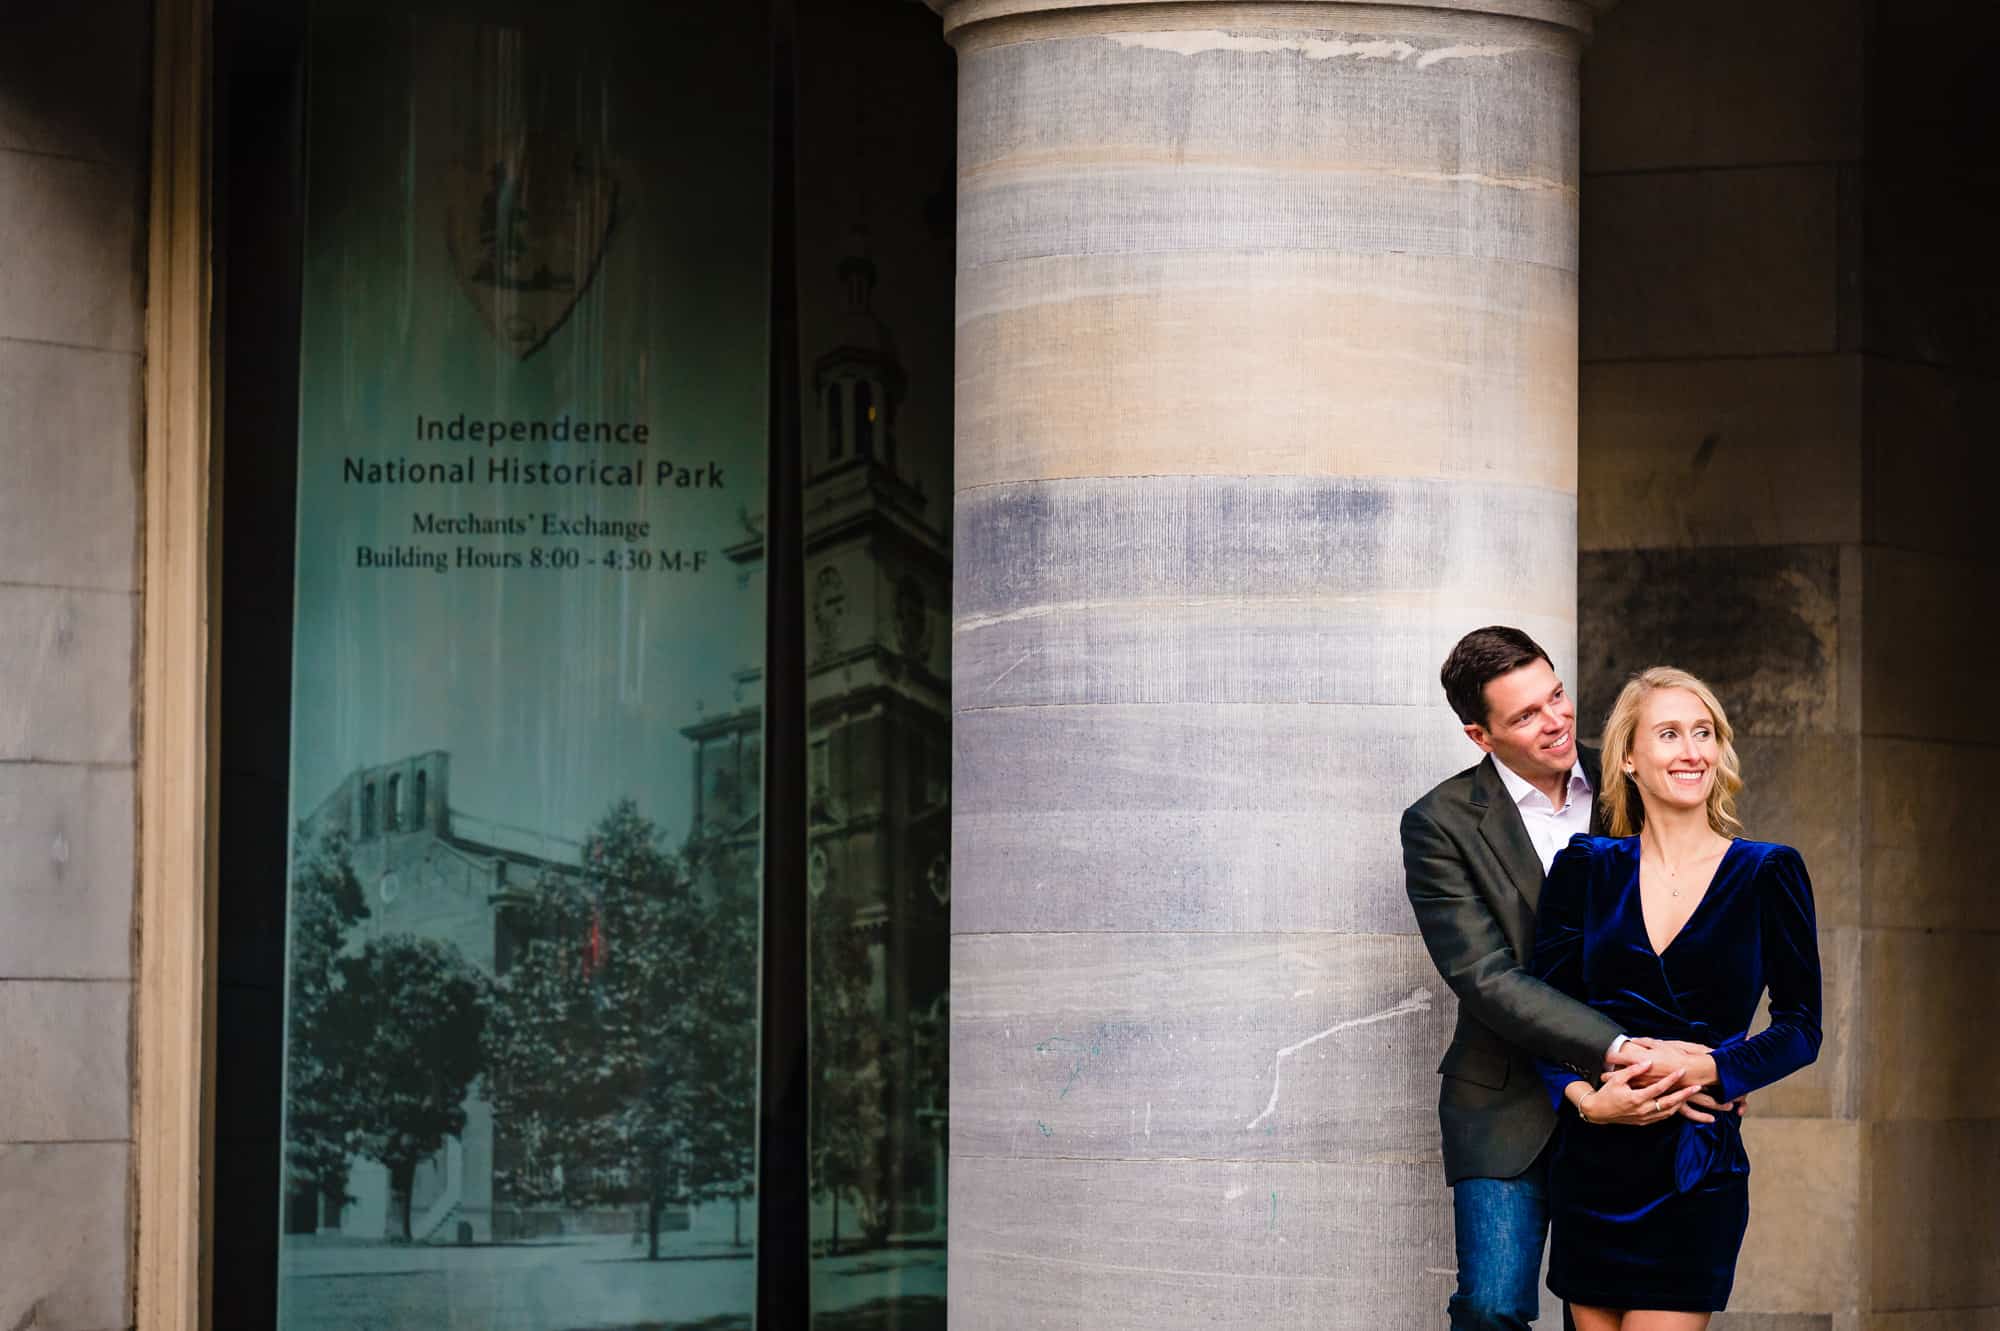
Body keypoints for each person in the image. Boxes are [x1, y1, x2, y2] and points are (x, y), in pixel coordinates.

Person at [1404, 629, 1733, 1331]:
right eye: (1525, 714)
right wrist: (1617, 1052)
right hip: (1505, 1101)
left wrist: (1709, 1063)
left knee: (1612, 1310)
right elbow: (1487, 978)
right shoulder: (1438, 825)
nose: (1555, 719)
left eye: (1556, 695)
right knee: (1493, 1306)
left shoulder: (1633, 783)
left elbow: (1706, 925)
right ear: (1480, 734)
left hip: (1642, 1101)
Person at [1529, 667, 1823, 1329]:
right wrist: (1588, 1103)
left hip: (1693, 1166)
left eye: (1704, 732)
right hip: (1594, 1166)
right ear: (1629, 756)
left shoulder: (1767, 871)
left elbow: (1803, 1026)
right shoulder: (1584, 868)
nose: (1692, 750)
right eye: (1669, 733)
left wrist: (1714, 1067)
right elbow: (1542, 1018)